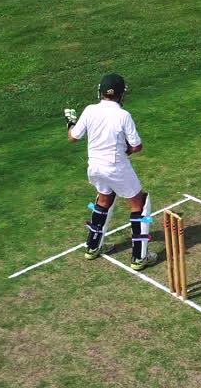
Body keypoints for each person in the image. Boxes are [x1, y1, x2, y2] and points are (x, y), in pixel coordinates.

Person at [65, 73, 156, 270]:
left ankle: (93, 246)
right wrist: (127, 151)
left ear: (100, 92)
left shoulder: (89, 110)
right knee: (140, 204)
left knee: (104, 199)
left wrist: (70, 124)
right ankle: (140, 257)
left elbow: (73, 137)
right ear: (121, 94)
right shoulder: (123, 115)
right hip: (116, 167)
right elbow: (137, 146)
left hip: (95, 168)